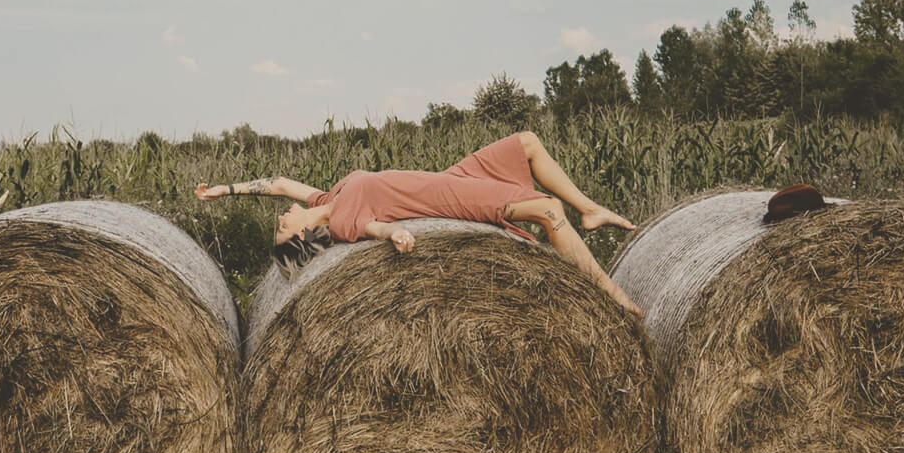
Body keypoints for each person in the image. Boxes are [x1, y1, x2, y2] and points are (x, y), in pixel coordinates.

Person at [196, 131, 641, 314]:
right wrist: (398, 234)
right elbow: (378, 230)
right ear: (304, 234)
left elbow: (280, 185)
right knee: (546, 210)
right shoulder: (344, 221)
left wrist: (227, 190)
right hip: (448, 197)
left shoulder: (326, 199)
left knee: (525, 142)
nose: (280, 217)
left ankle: (591, 209)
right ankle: (608, 291)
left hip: (448, 176)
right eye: (281, 229)